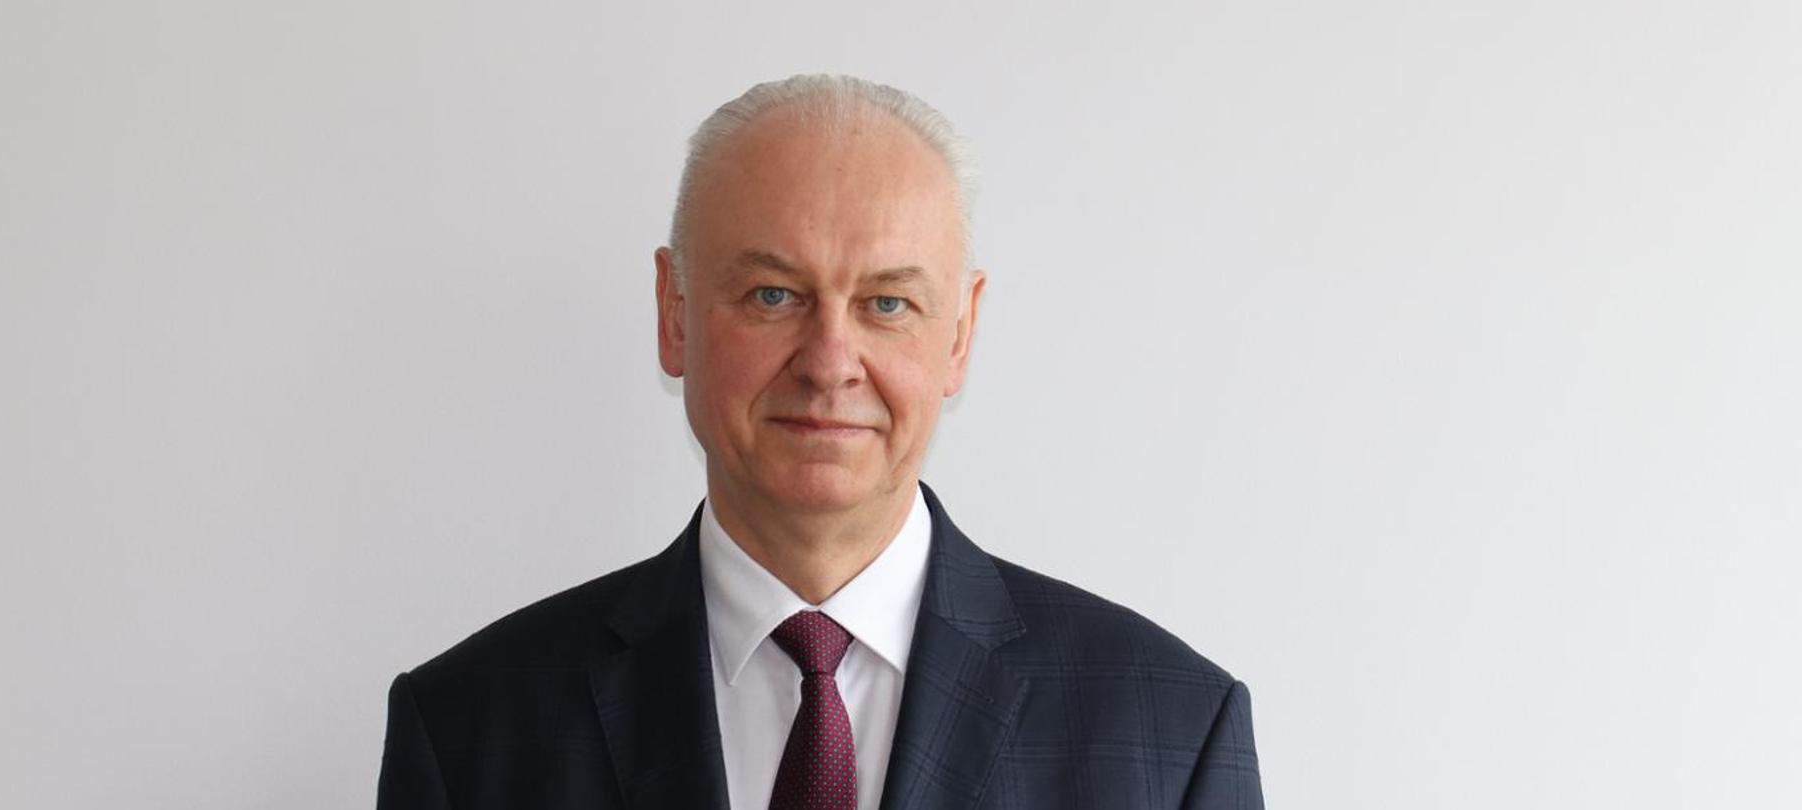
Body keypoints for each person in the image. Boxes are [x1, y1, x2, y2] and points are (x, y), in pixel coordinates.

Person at [376, 74, 1264, 810]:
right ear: (673, 312)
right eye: (772, 294)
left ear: (959, 334)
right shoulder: (472, 731)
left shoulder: (1170, 732)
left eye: (887, 303)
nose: (830, 361)